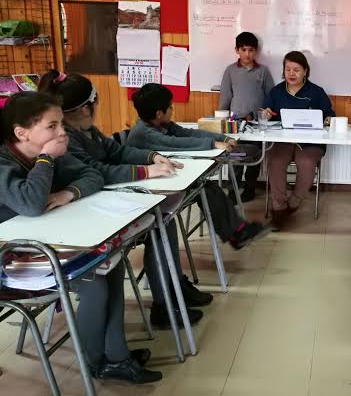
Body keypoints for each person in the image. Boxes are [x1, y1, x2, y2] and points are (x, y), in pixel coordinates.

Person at [0, 92, 161, 384]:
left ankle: (116, 356)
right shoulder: (8, 160)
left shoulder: (52, 152)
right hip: (12, 261)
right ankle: (95, 362)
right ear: (21, 133)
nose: (62, 132)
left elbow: (92, 176)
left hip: (49, 243)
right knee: (94, 282)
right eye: (52, 126)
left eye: (61, 124)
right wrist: (46, 158)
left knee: (112, 264)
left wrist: (68, 193)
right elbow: (31, 203)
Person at [38, 71, 213, 329]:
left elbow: (117, 151)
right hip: (84, 218)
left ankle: (172, 290)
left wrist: (152, 157)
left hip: (98, 204)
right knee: (159, 223)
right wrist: (146, 172)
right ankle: (166, 301)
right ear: (87, 108)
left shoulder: (88, 131)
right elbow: (97, 171)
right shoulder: (66, 139)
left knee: (164, 220)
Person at [126, 83, 269, 249]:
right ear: (159, 113)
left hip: (163, 179)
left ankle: (237, 231)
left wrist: (222, 138)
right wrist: (212, 144)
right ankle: (236, 233)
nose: (172, 109)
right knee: (205, 189)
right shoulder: (143, 133)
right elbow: (176, 143)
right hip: (148, 190)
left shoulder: (160, 123)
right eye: (170, 107)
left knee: (209, 187)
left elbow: (189, 133)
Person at [260, 51, 335, 229]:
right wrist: (265, 115)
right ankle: (279, 208)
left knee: (307, 162)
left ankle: (293, 203)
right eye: (288, 69)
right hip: (283, 141)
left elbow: (330, 115)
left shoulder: (316, 92)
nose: (291, 73)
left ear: (305, 71)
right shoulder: (277, 91)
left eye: (296, 70)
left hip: (310, 143)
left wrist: (328, 119)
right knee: (276, 162)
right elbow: (265, 113)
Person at [218, 31, 275, 202]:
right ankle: (233, 191)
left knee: (254, 156)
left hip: (256, 123)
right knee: (236, 156)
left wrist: (267, 115)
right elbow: (226, 95)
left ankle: (250, 189)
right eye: (244, 50)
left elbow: (270, 95)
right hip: (235, 123)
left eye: (251, 50)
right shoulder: (230, 71)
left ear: (256, 51)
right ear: (237, 50)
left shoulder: (263, 71)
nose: (247, 54)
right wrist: (221, 117)